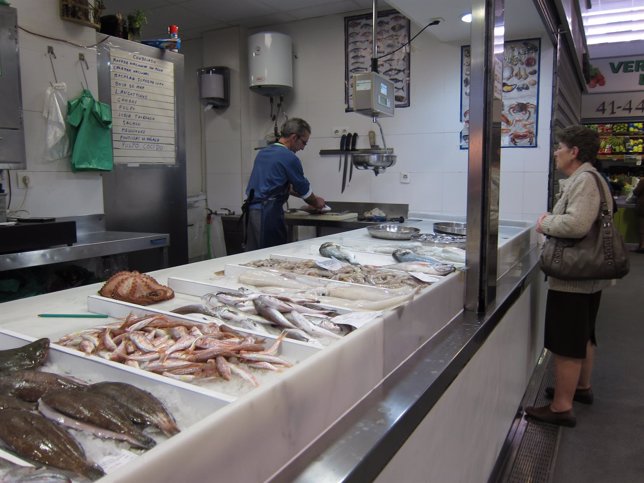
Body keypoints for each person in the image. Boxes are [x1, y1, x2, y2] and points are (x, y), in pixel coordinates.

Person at [525, 125, 613, 428]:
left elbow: (576, 225)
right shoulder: (591, 178)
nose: (555, 153)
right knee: (584, 333)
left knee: (566, 340)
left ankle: (561, 407)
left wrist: (546, 222)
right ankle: (581, 388)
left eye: (559, 147)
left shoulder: (584, 181)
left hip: (576, 275)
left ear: (574, 152)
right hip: (589, 273)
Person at [242, 118, 326, 251]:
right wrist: (317, 203)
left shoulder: (263, 153)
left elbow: (281, 186)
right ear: (294, 137)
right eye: (303, 142)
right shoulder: (288, 157)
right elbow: (304, 189)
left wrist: (308, 199)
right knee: (270, 255)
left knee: (254, 255)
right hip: (268, 213)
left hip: (252, 211)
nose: (303, 148)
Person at [632, 177, 644, 252]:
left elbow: (636, 192)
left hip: (643, 207)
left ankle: (642, 246)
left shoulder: (643, 181)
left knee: (642, 228)